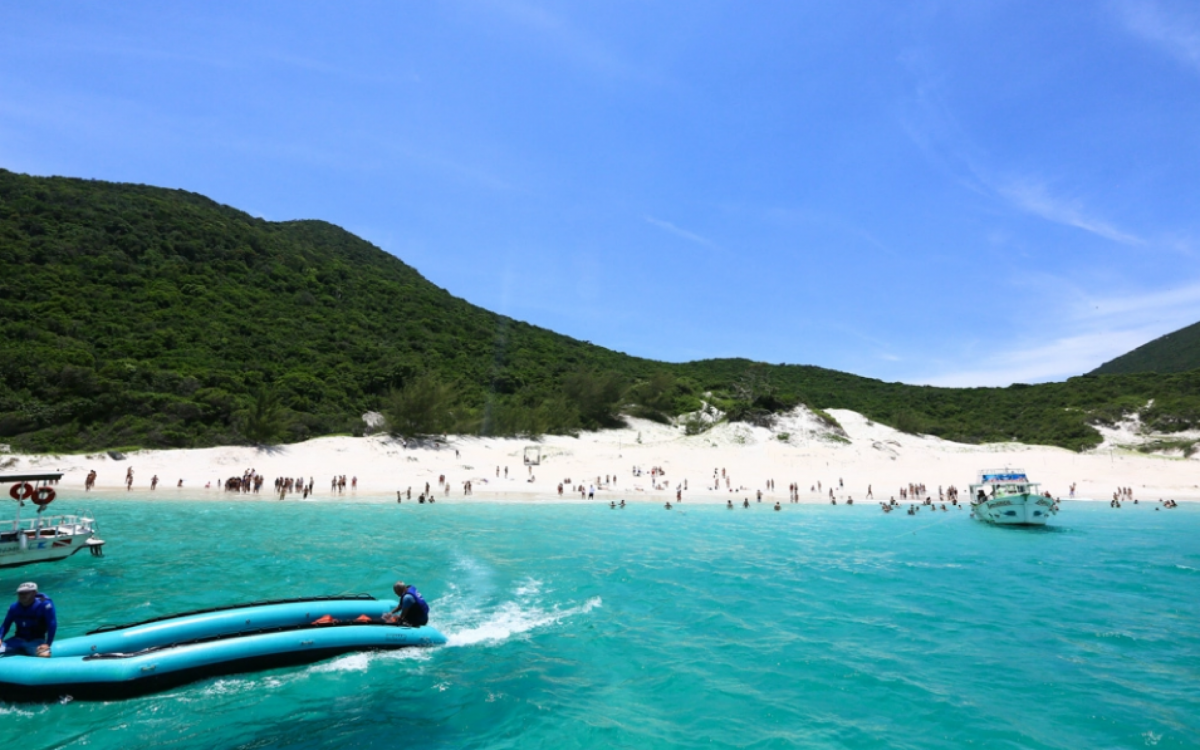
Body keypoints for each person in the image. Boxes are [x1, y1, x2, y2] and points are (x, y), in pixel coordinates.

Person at [1, 583, 56, 657]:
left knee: (44, 655)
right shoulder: (14, 607)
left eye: (26, 593)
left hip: (36, 641)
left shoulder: (44, 605)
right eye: (20, 593)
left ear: (34, 593)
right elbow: (5, 625)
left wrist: (47, 644)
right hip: (17, 640)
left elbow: (52, 625)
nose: (22, 596)